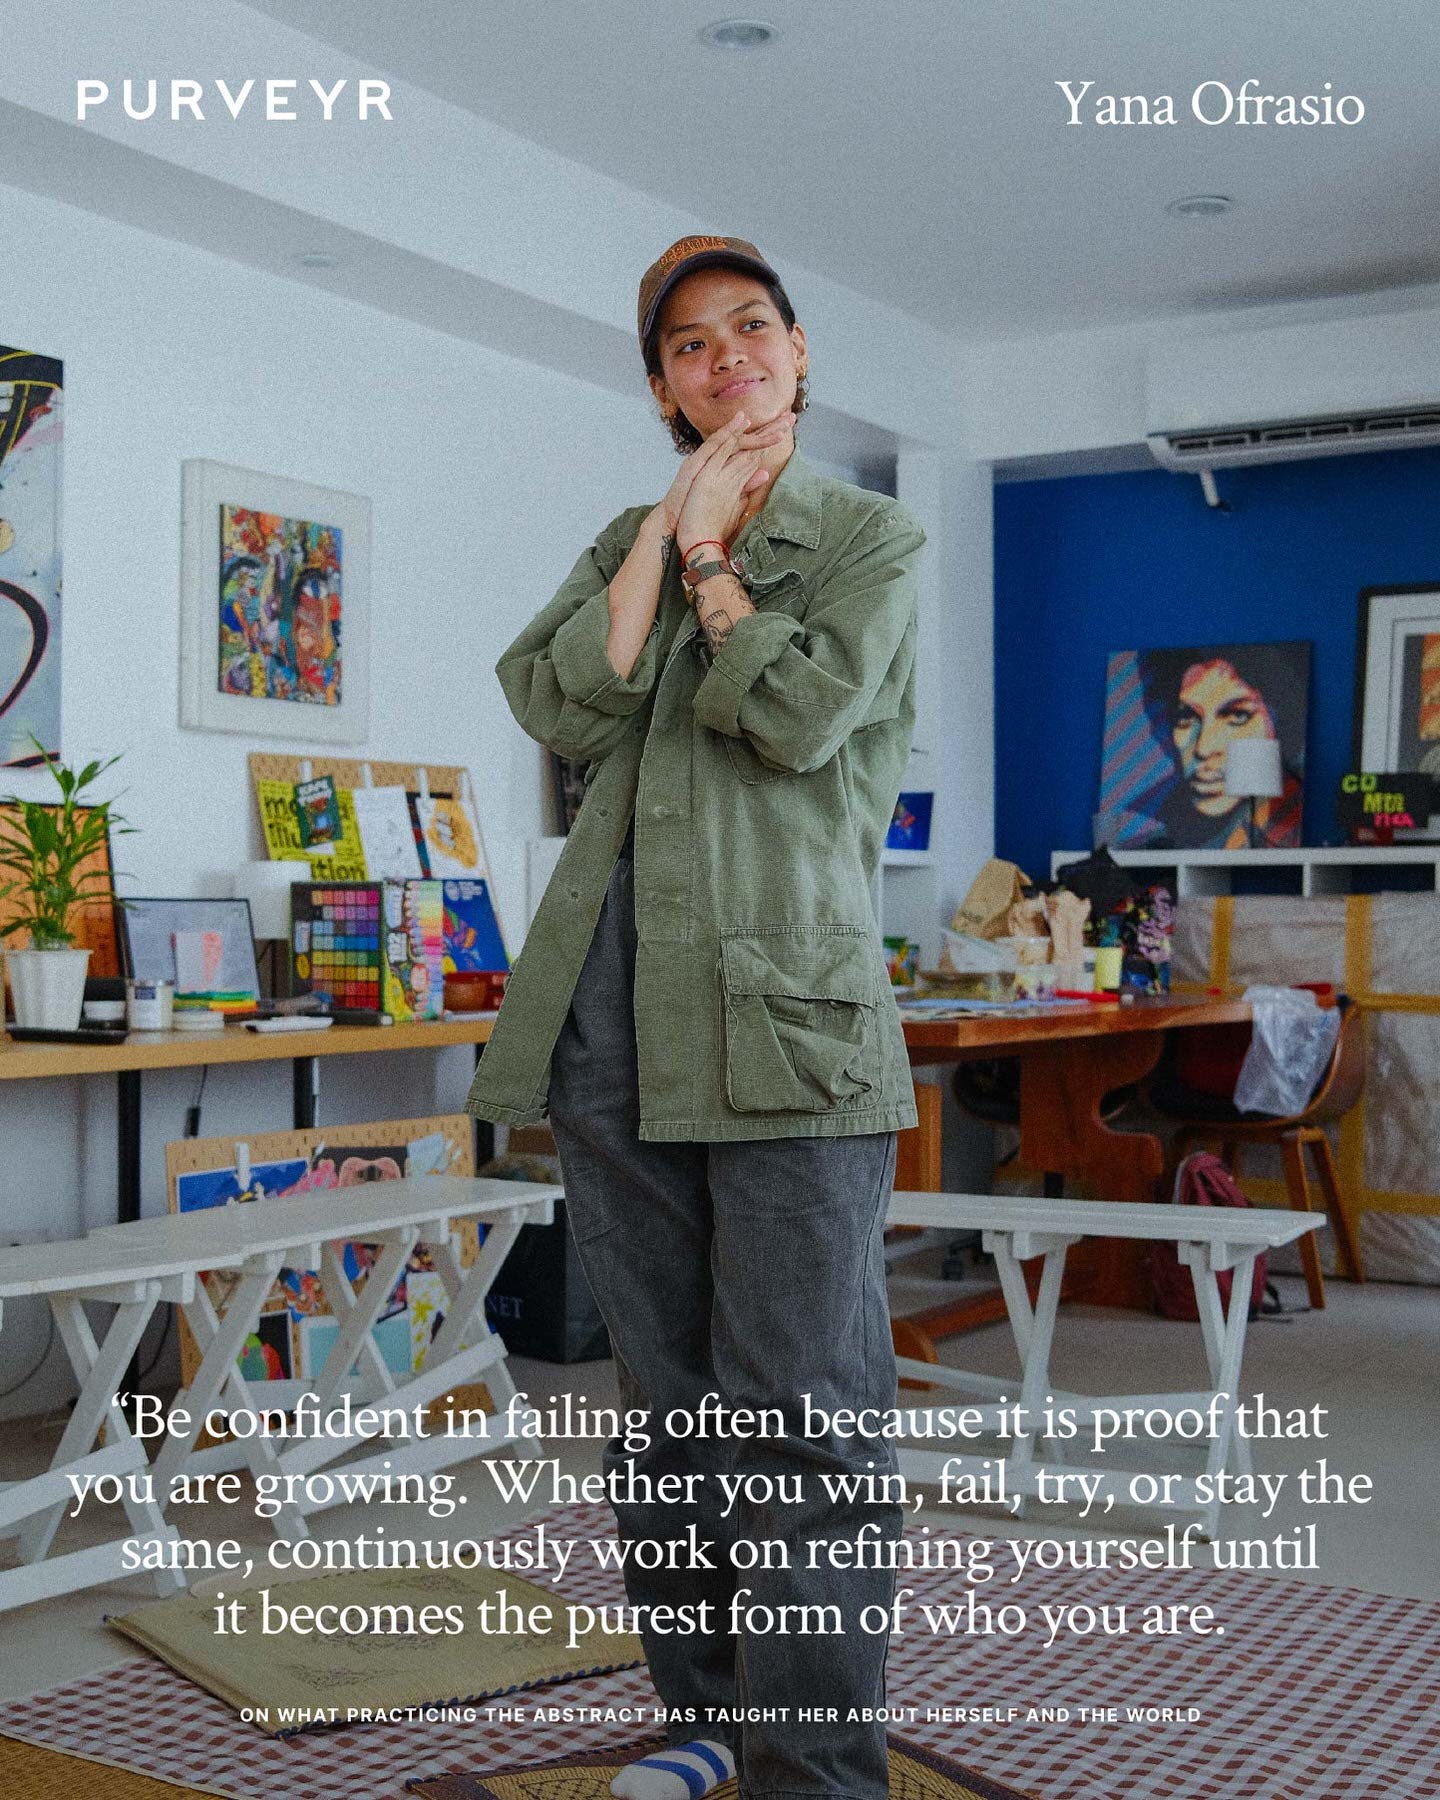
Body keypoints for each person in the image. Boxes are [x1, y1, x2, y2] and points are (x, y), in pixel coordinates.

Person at [466, 234, 926, 1800]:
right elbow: (556, 698)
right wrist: (671, 528)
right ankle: (710, 1715)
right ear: (662, 385)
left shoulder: (869, 538)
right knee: (667, 1409)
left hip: (791, 1015)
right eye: (687, 343)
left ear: (799, 350)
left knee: (802, 1412)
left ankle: (818, 1766)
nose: (725, 356)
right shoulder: (632, 534)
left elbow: (797, 719)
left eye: (751, 327)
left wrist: (719, 558)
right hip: (611, 1004)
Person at [1122, 644, 1305, 848]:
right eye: (1186, 717)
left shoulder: (1298, 814)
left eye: (1238, 715)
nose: (1204, 748)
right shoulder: (1137, 827)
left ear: (1280, 722)